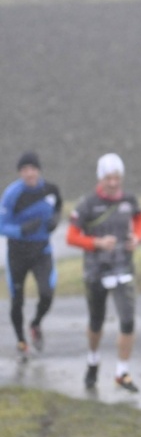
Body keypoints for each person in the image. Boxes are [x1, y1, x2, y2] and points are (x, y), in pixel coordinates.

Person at [66, 153, 141, 393]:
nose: (113, 183)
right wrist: (96, 243)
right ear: (101, 178)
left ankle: (122, 372)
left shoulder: (128, 200)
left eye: (117, 178)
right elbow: (71, 237)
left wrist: (137, 238)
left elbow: (140, 218)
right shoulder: (87, 204)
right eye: (109, 178)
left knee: (128, 321)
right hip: (96, 272)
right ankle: (93, 360)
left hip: (124, 269)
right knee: (96, 322)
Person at [0, 152, 63, 362]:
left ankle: (35, 323)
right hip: (17, 254)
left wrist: (55, 220)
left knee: (47, 293)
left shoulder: (50, 190)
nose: (29, 173)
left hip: (41, 252)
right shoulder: (12, 194)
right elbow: (1, 224)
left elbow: (58, 206)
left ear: (38, 170)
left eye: (32, 169)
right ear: (20, 173)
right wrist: (21, 230)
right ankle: (21, 341)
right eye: (25, 170)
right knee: (17, 300)